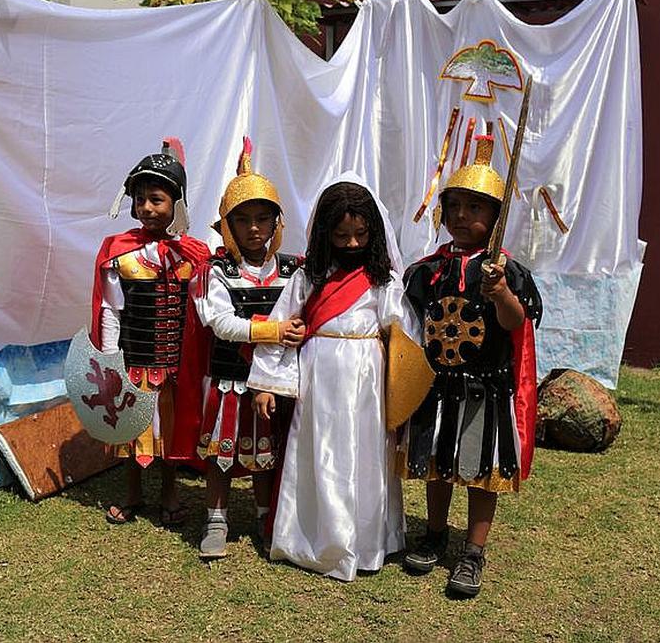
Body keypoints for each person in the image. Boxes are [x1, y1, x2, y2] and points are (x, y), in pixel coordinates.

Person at [248, 174, 417, 582]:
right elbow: (282, 326)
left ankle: (365, 539)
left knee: (367, 455)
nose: (353, 244)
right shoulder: (307, 278)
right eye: (342, 235)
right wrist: (269, 383)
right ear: (326, 232)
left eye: (360, 234)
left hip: (368, 381)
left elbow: (405, 333)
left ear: (373, 233)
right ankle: (315, 538)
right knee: (318, 452)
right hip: (319, 377)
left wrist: (404, 390)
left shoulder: (384, 281)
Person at [399, 134, 542, 597]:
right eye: (454, 206)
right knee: (437, 465)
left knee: (483, 472)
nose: (462, 217)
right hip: (437, 387)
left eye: (475, 208)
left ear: (495, 217)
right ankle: (436, 534)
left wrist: (499, 292)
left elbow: (515, 323)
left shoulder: (508, 272)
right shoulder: (426, 271)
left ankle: (474, 550)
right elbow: (413, 324)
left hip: (486, 386)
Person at [174, 138, 305, 558]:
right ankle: (216, 521)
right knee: (221, 454)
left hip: (275, 384)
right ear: (227, 224)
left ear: (276, 223)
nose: (253, 228)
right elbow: (220, 322)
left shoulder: (293, 270)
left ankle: (268, 519)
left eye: (262, 218)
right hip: (229, 380)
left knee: (267, 453)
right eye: (243, 219)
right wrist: (275, 330)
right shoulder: (217, 272)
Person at [89, 139, 210, 525]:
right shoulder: (119, 253)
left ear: (175, 203)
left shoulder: (193, 255)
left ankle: (170, 492)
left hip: (175, 362)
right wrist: (109, 358)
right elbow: (110, 307)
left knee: (170, 430)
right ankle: (133, 493)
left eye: (156, 199)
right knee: (134, 429)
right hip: (134, 359)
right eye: (140, 199)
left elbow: (202, 309)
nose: (145, 208)